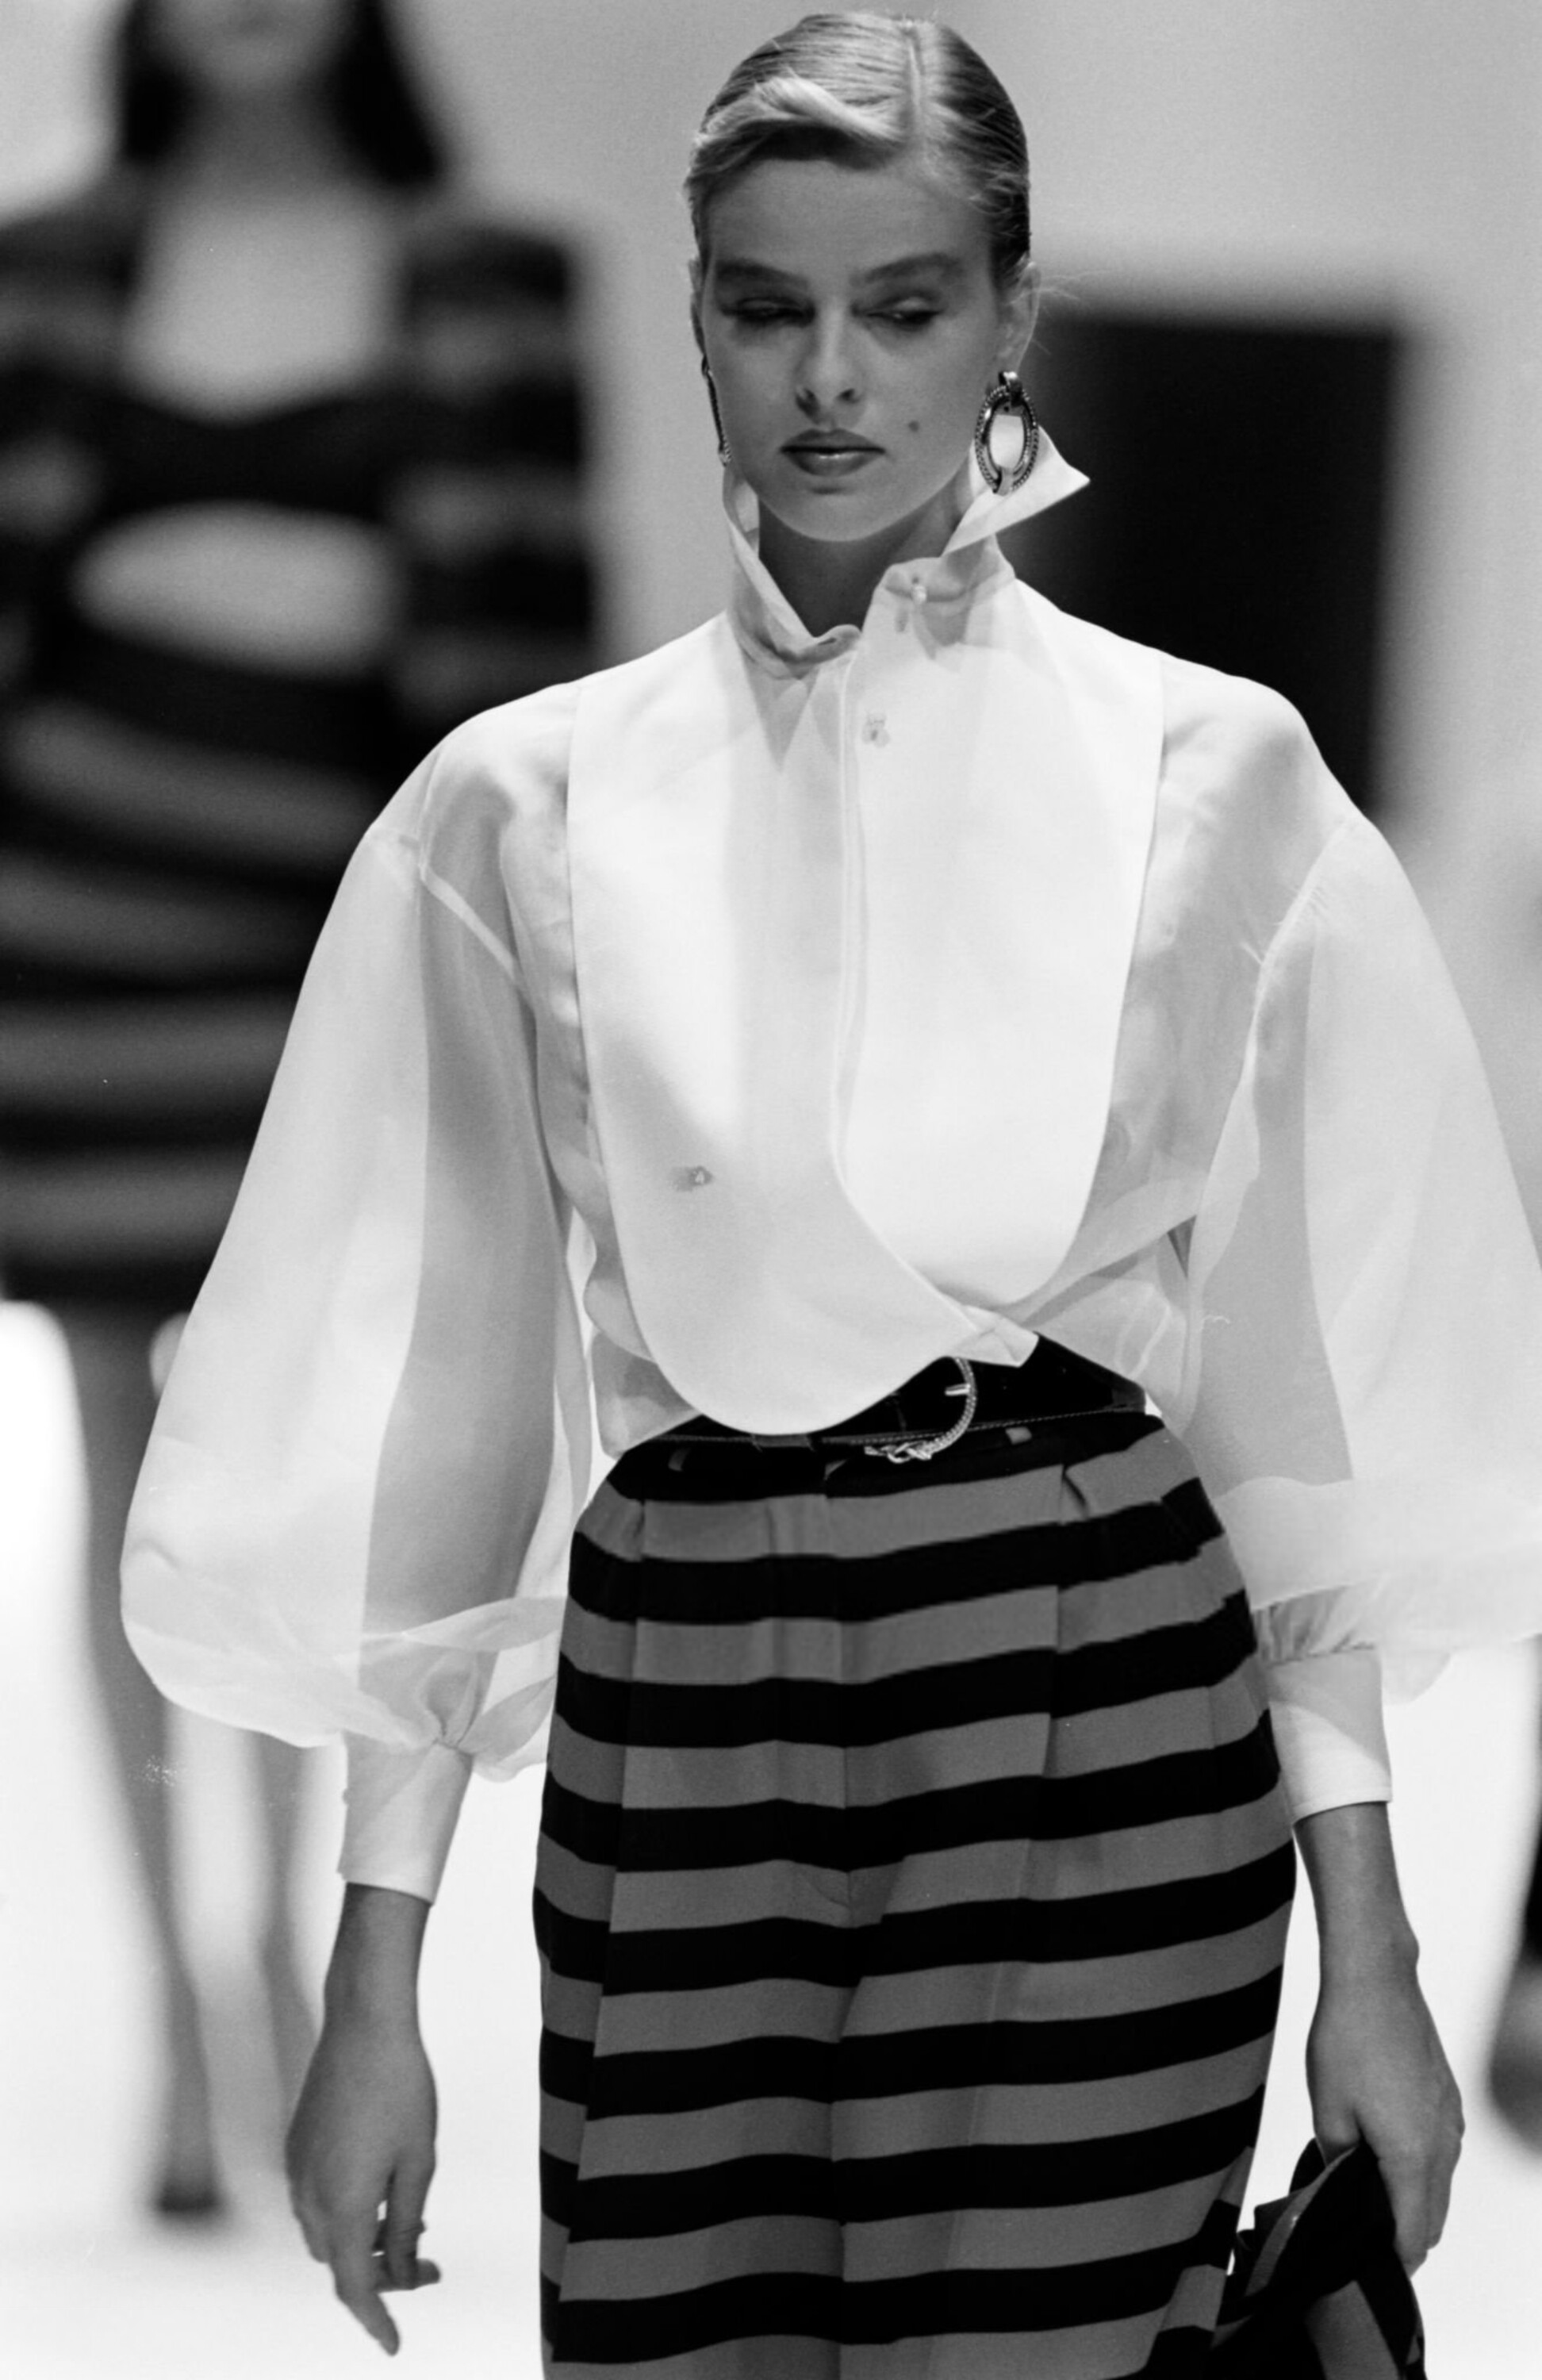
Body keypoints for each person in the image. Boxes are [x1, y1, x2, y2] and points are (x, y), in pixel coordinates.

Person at [121, 13, 1542, 2372]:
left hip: (1104, 1693)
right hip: (689, 1712)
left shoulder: (1210, 780)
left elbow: (1298, 1443)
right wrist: (376, 1983)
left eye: (903, 304)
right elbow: (443, 1441)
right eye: (766, 303)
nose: (832, 374)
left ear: (1010, 317)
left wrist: (1373, 1964)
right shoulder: (524, 811)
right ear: (691, 312)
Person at [2, 0, 593, 2217]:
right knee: (113, 1463)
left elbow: (533, 655)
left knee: (297, 1473)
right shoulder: (48, 266)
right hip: (63, 948)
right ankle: (182, 2009)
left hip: (327, 956)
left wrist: (527, 985)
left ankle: (279, 1967)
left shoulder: (488, 282)